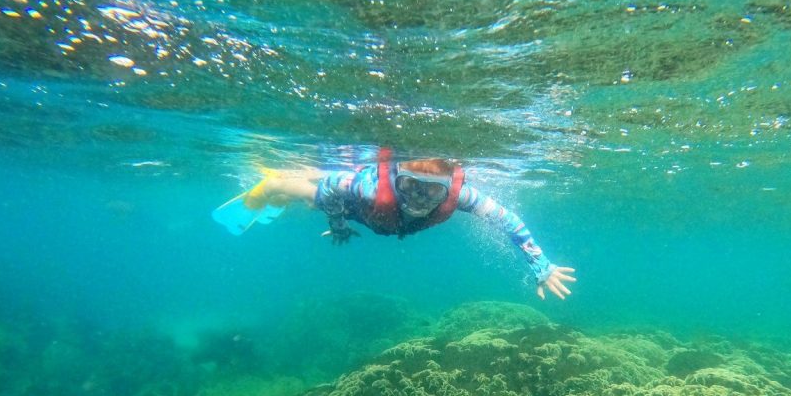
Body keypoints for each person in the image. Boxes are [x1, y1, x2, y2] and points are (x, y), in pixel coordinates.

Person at [213, 148, 577, 300]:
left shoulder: (464, 196)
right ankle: (275, 184)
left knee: (312, 198)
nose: (417, 200)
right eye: (409, 187)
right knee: (310, 195)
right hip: (357, 207)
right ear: (397, 179)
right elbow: (331, 188)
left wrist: (540, 267)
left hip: (378, 220)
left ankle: (282, 190)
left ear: (448, 190)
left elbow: (508, 223)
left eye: (430, 193)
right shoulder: (370, 188)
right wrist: (338, 224)